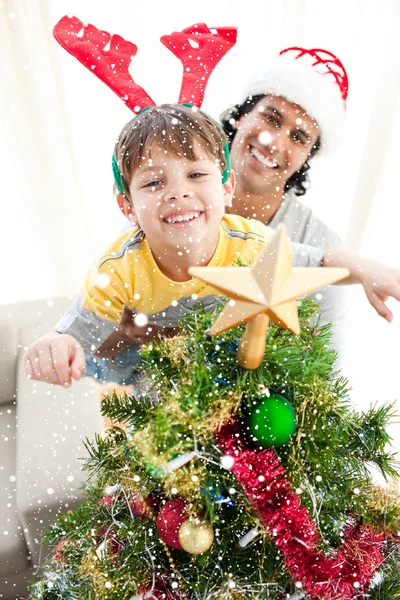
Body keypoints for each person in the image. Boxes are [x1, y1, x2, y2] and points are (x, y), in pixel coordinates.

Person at [24, 104, 400, 388]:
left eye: (197, 175)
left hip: (234, 388)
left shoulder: (248, 245)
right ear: (128, 207)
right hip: (156, 402)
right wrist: (55, 345)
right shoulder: (118, 270)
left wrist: (367, 268)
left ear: (225, 187)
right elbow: (77, 336)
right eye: (155, 183)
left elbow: (319, 263)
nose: (178, 192)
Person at [220, 47, 349, 333]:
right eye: (271, 118)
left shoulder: (323, 247)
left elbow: (326, 367)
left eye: (298, 137)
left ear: (307, 158)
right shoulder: (173, 199)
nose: (274, 143)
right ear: (241, 115)